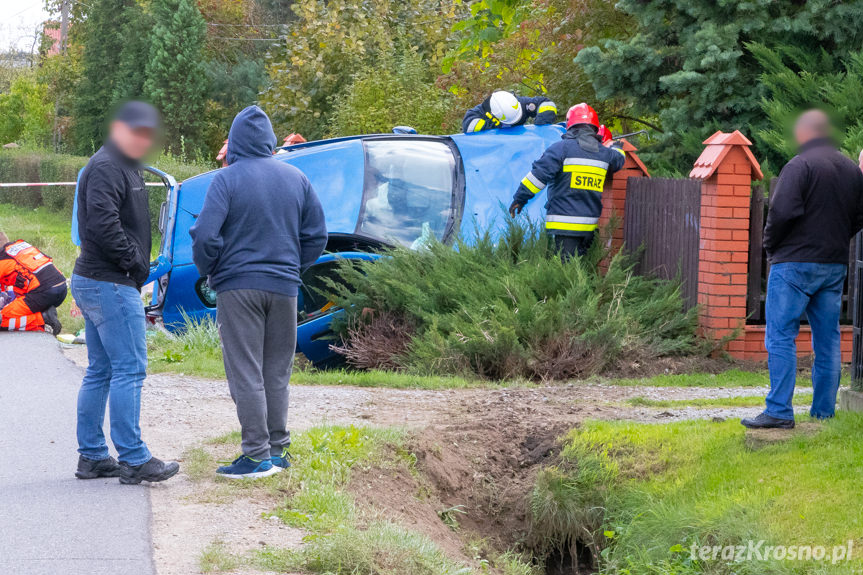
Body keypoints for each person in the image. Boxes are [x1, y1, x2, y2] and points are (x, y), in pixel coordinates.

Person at [190, 106, 327, 480]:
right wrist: (293, 267)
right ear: (269, 139)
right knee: (276, 371)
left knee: (245, 370)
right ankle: (278, 451)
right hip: (285, 288)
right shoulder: (296, 177)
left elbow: (204, 235)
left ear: (234, 141)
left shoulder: (227, 179)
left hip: (238, 287)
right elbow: (317, 235)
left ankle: (254, 457)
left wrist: (210, 269)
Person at [71, 101, 179, 483]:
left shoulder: (123, 165)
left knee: (101, 370)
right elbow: (102, 224)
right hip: (109, 281)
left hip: (101, 280)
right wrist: (135, 262)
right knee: (129, 368)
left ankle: (94, 457)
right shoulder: (105, 166)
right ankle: (133, 458)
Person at [742, 110, 863, 429]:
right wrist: (838, 240)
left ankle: (779, 411)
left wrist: (771, 246)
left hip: (794, 264)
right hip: (834, 266)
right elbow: (860, 216)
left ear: (806, 134)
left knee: (781, 334)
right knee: (828, 338)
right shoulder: (852, 171)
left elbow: (781, 212)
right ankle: (823, 413)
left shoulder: (800, 166)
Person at [509, 103, 626, 260]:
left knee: (563, 276)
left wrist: (520, 198)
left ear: (570, 125)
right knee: (581, 274)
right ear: (594, 127)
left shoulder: (561, 149)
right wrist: (616, 147)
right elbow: (619, 159)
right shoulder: (605, 154)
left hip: (562, 229)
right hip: (589, 229)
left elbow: (537, 177)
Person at [0, 235, 65, 333]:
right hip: (61, 287)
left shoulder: (3, 260)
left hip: (42, 292)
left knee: (2, 319)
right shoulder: (21, 247)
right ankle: (43, 315)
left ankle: (43, 320)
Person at [462, 90, 557, 133]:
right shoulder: (482, 112)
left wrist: (541, 125)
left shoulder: (522, 104)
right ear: (495, 115)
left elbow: (546, 103)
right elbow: (469, 126)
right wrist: (494, 126)